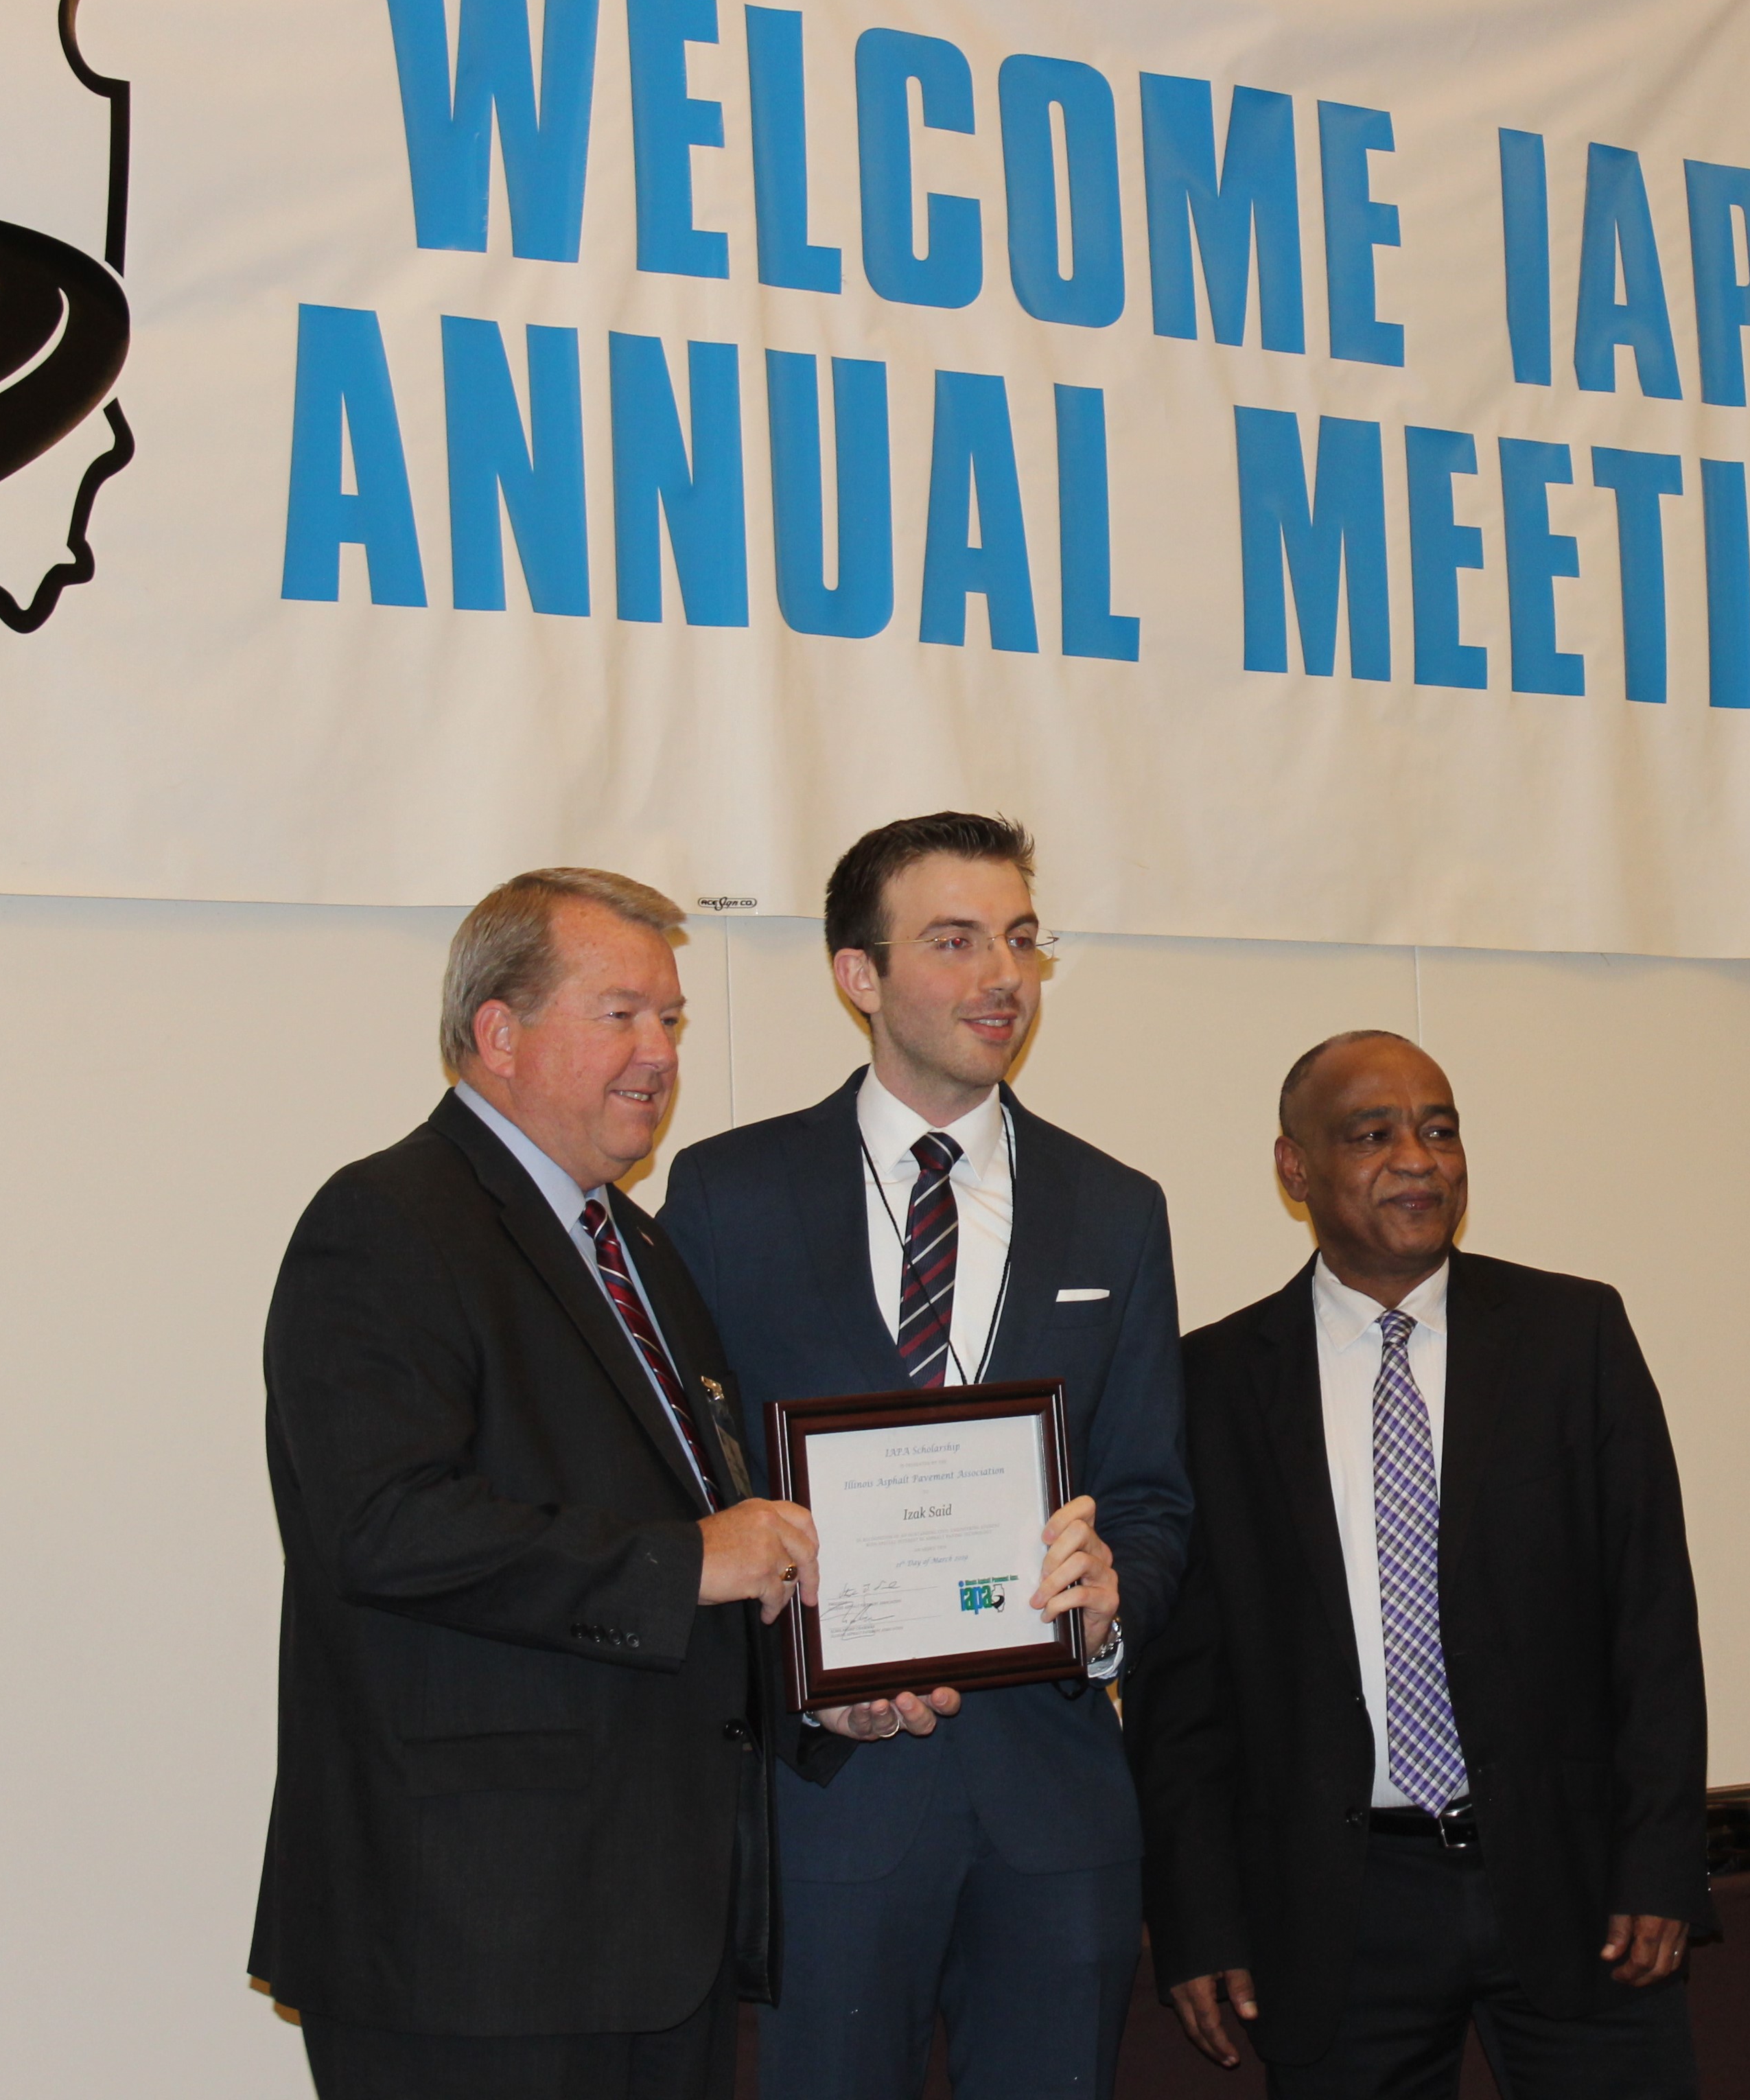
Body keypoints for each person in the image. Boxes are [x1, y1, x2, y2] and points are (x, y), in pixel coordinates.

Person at [248, 867, 846, 2100]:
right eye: (619, 1014)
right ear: (498, 1032)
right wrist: (697, 1561)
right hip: (469, 1941)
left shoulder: (641, 1252)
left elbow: (693, 1550)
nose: (657, 1054)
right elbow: (385, 1525)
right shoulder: (386, 1222)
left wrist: (823, 1681)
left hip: (648, 1934)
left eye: (671, 1020)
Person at [659, 811, 1193, 2100]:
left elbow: (1153, 1495)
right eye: (953, 941)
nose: (1001, 975)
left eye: (1019, 938)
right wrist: (796, 1667)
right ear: (860, 975)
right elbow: (685, 1495)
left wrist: (1113, 1604)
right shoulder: (728, 1196)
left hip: (1055, 1805)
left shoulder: (1116, 1208)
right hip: (832, 1798)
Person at [1126, 1029, 1712, 2099]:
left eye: (1439, 1130)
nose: (1418, 1159)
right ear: (1292, 1169)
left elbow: (1651, 1621)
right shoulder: (1208, 1384)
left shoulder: (1571, 1336)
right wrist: (1196, 1917)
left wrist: (1661, 1862)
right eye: (1373, 1134)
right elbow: (1181, 1693)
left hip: (1575, 1888)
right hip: (1338, 1907)